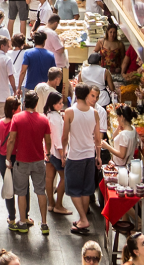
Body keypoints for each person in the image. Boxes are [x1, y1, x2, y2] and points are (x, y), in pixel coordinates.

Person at [4, 92, 54, 235]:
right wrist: (48, 153)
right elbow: (48, 140)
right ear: (37, 104)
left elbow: (11, 139)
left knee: (21, 192)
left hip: (22, 161)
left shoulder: (17, 118)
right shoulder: (44, 119)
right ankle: (44, 223)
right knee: (40, 191)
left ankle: (22, 222)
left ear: (25, 102)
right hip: (38, 160)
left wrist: (8, 158)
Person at [61, 84, 104, 235]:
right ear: (87, 96)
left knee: (73, 190)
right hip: (89, 155)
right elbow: (98, 138)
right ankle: (82, 219)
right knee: (86, 190)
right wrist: (98, 156)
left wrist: (62, 153)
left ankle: (84, 219)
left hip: (75, 156)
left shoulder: (69, 112)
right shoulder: (95, 113)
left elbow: (65, 136)